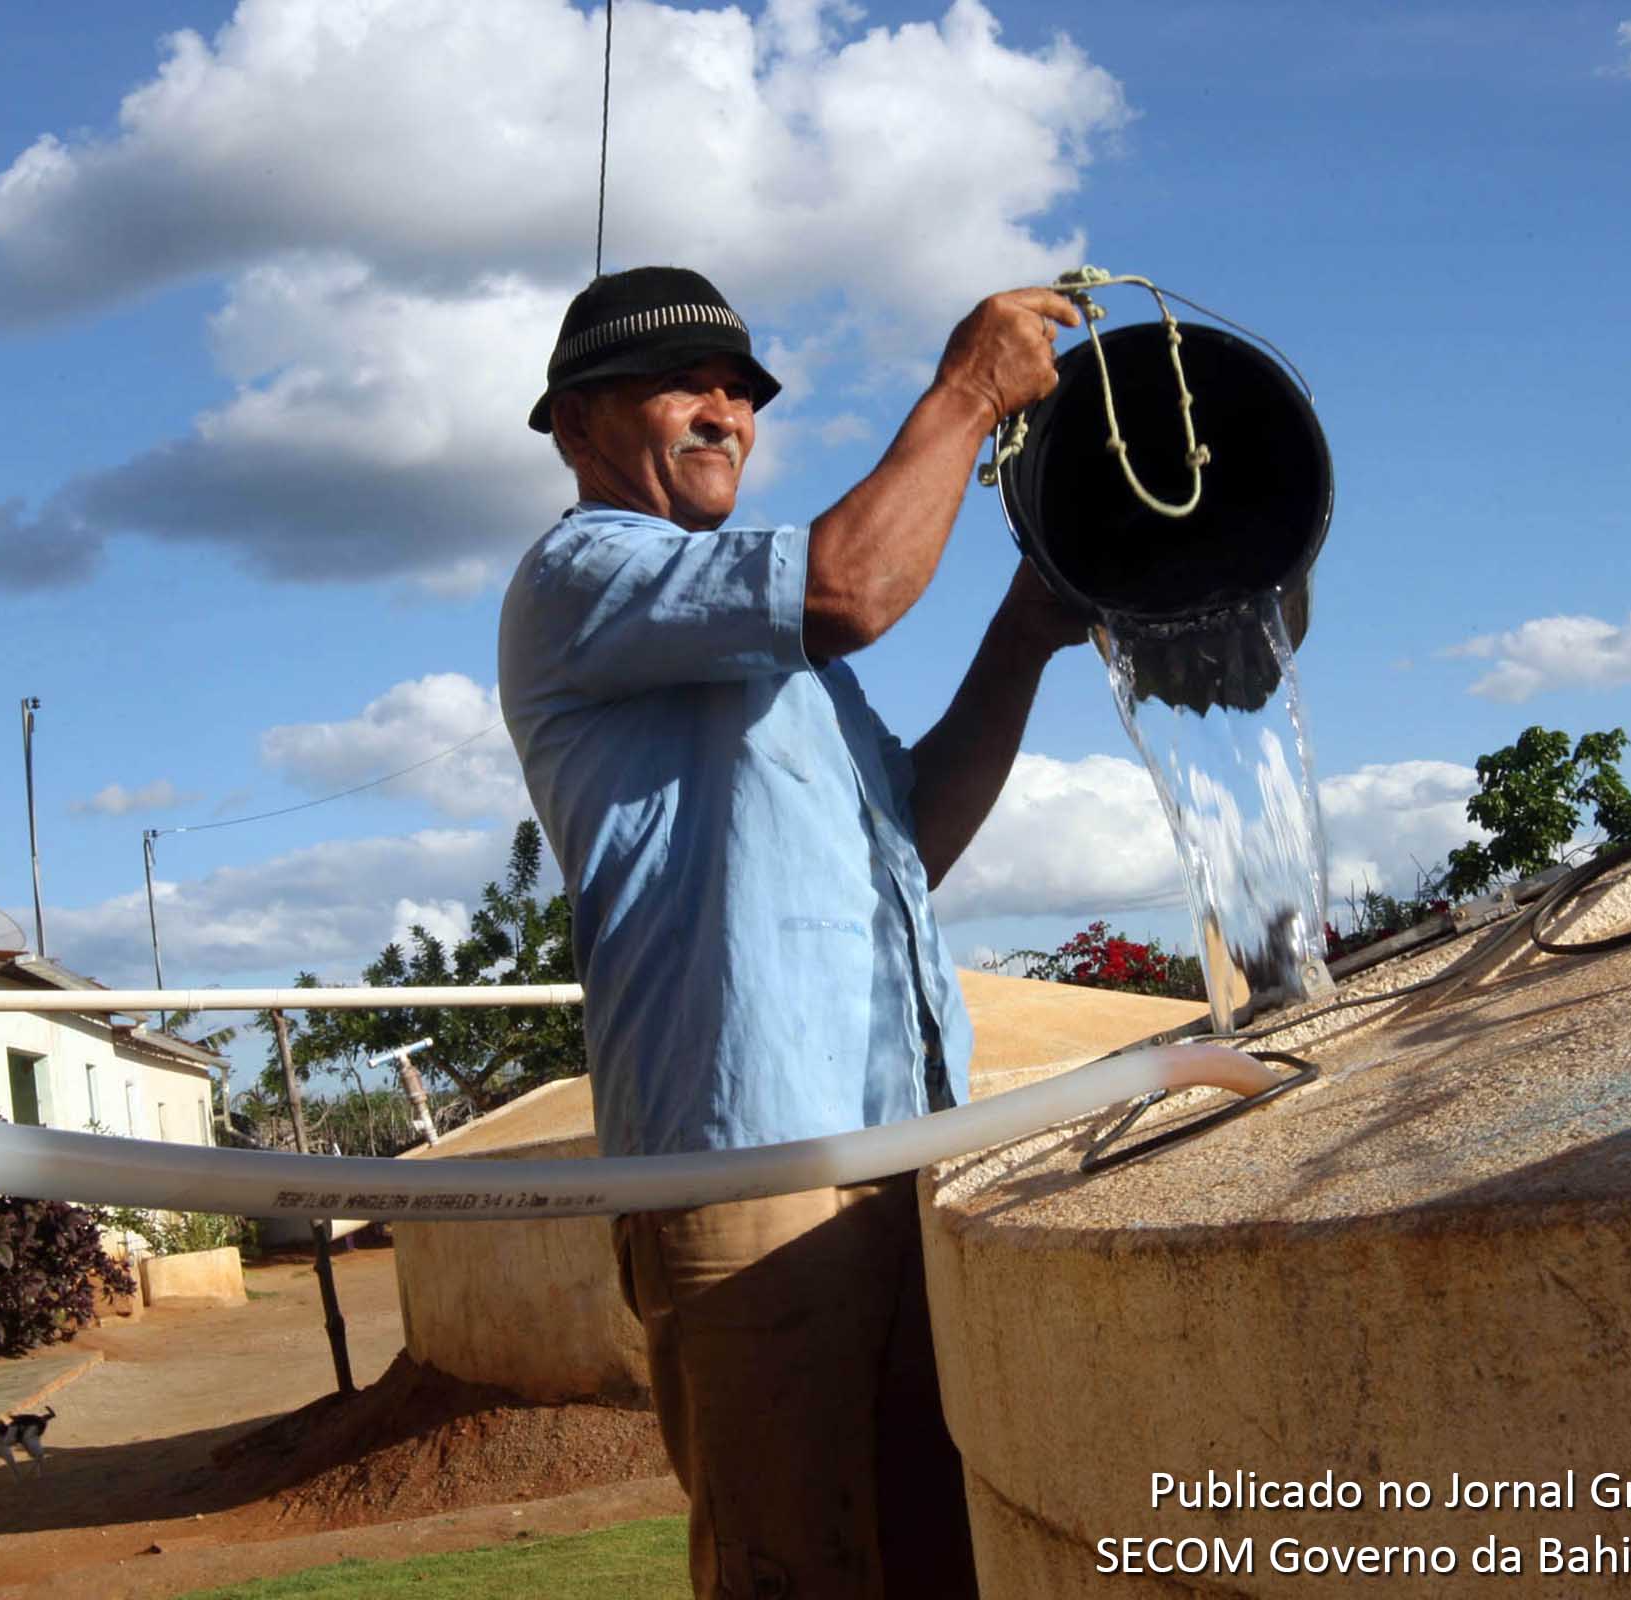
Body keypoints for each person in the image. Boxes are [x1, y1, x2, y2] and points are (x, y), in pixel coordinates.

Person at [498, 264, 1085, 1599]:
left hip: (902, 1150)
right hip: (750, 1167)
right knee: (798, 1573)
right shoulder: (586, 572)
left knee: (943, 1558)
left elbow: (912, 840)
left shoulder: (774, 654)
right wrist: (969, 391)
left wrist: (1026, 631)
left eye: (743, 392)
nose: (725, 413)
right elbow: (849, 588)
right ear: (577, 426)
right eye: (684, 385)